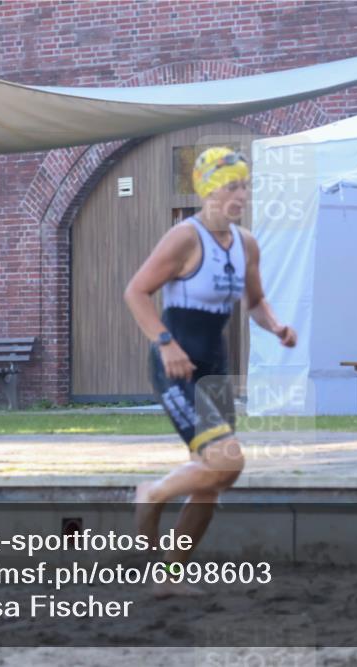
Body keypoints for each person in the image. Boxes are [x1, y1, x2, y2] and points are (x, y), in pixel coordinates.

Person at [124, 146, 296, 596]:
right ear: (207, 190)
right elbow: (136, 292)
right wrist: (165, 343)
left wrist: (277, 325)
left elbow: (255, 301)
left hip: (214, 369)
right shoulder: (184, 237)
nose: (241, 195)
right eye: (231, 186)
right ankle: (152, 493)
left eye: (245, 186)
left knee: (215, 479)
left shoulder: (246, 244)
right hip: (177, 365)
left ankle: (169, 577)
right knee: (226, 462)